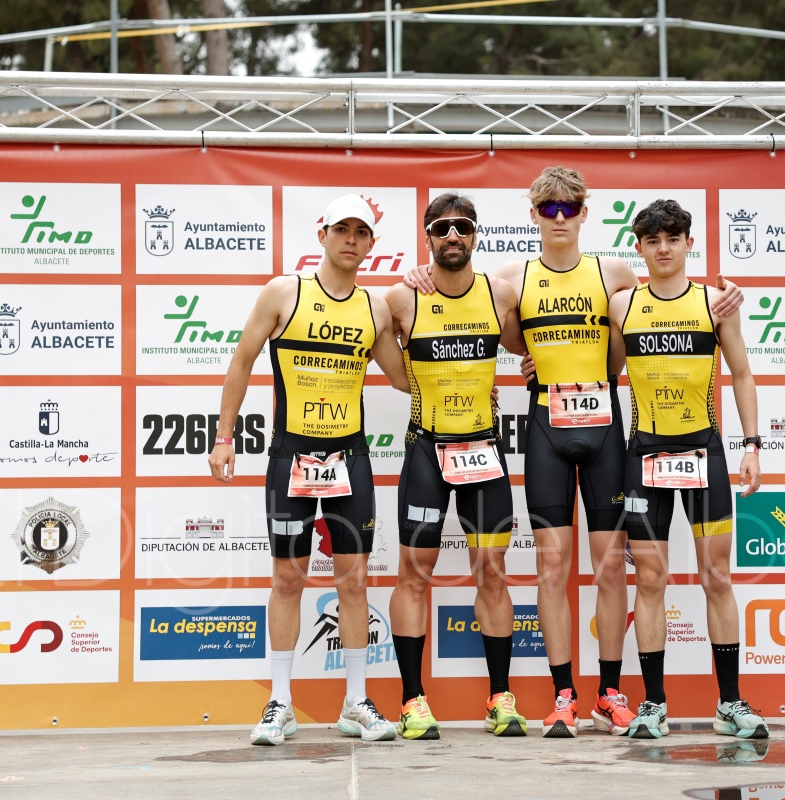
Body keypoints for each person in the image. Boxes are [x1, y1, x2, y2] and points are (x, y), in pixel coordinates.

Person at [407, 167, 743, 737]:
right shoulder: (511, 278)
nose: (559, 217)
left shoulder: (614, 273)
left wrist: (725, 292)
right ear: (534, 215)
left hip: (607, 430)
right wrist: (419, 273)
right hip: (547, 429)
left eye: (569, 208)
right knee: (552, 567)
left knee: (611, 566)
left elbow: (668, 299)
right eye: (548, 209)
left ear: (585, 213)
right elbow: (469, 303)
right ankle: (563, 695)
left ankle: (609, 693)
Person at [209, 194, 408, 746]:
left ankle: (355, 702)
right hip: (290, 455)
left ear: (371, 244)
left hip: (351, 458)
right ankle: (279, 702)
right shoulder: (284, 292)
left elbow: (402, 378)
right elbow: (242, 361)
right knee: (287, 578)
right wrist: (223, 438)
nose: (351, 239)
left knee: (354, 580)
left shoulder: (375, 308)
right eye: (341, 229)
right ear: (322, 235)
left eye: (361, 232)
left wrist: (465, 372)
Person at [607, 198, 766, 740]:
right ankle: (653, 705)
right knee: (650, 579)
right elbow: (598, 362)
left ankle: (730, 703)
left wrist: (752, 445)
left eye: (673, 239)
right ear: (639, 247)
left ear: (688, 243)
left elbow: (742, 373)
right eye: (653, 241)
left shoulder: (716, 302)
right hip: (644, 455)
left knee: (716, 577)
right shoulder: (622, 304)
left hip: (705, 451)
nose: (663, 249)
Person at [384, 194, 530, 740]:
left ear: (475, 235)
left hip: (483, 449)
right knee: (414, 574)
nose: (452, 236)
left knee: (493, 572)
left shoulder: (501, 292)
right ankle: (412, 700)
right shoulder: (400, 298)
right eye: (442, 228)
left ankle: (500, 698)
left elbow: (550, 333)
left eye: (462, 227)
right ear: (427, 236)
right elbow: (390, 367)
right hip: (426, 448)